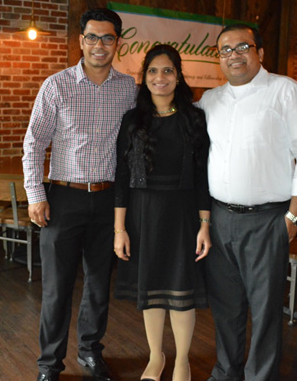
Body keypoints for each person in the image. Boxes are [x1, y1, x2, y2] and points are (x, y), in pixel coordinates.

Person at [197, 24, 297, 381]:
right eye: (225, 49)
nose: (233, 55)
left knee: (266, 311)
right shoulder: (211, 100)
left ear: (260, 53)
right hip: (220, 220)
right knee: (225, 308)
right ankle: (226, 372)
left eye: (243, 47)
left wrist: (292, 222)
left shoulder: (287, 92)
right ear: (218, 57)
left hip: (268, 220)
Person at [22, 8, 138, 381]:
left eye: (107, 37)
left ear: (118, 42)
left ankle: (90, 351)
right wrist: (35, 193)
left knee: (99, 285)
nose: (99, 45)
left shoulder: (129, 89)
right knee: (57, 289)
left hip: (108, 201)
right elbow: (34, 143)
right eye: (92, 37)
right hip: (64, 198)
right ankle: (49, 365)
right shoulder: (56, 85)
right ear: (81, 40)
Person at [113, 44, 212, 381]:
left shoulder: (193, 118)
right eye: (153, 71)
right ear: (145, 77)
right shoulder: (132, 119)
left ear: (179, 76)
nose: (160, 77)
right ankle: (156, 358)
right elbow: (122, 177)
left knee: (181, 290)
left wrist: (204, 224)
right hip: (143, 215)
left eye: (167, 70)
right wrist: (119, 229)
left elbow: (202, 176)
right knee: (152, 288)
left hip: (183, 214)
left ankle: (182, 360)